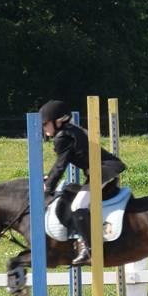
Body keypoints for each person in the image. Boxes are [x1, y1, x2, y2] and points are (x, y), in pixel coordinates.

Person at [39, 99, 126, 265]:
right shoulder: (69, 131)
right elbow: (59, 164)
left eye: (45, 124)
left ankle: (89, 249)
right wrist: (49, 178)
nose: (43, 129)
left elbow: (61, 164)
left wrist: (48, 186)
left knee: (78, 206)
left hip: (102, 170)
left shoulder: (63, 137)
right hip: (99, 170)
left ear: (58, 121)